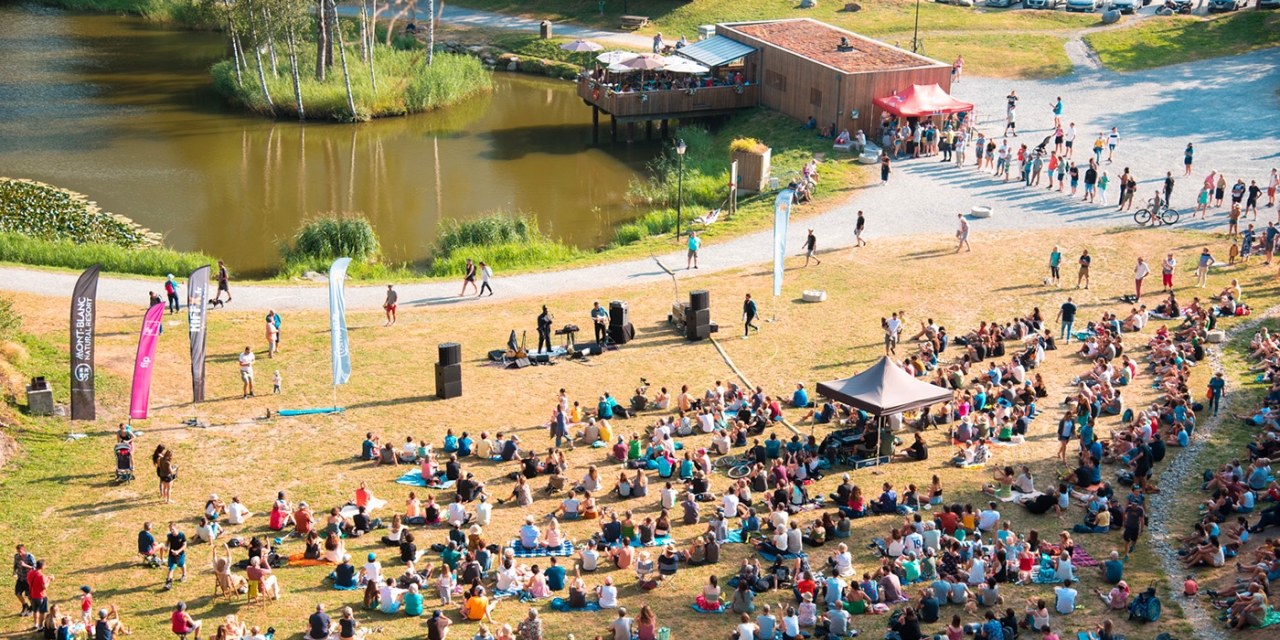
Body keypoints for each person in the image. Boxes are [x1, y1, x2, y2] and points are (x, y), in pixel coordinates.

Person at [164, 522, 187, 589]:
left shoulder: (181, 535)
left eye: (173, 529)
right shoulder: (170, 535)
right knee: (171, 568)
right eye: (170, 529)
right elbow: (168, 541)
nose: (171, 531)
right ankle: (168, 583)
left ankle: (184, 575)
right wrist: (166, 547)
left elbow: (184, 545)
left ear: (176, 528)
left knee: (181, 565)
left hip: (180, 554)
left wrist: (178, 551)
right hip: (172, 554)